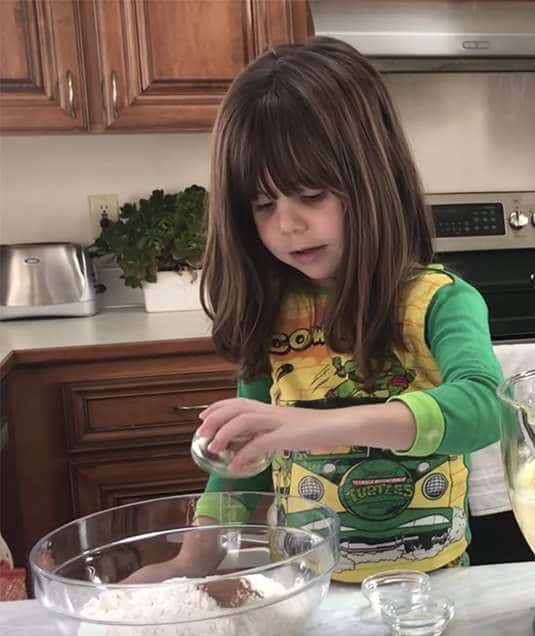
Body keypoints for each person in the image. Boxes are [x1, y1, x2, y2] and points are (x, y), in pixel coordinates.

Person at [136, 36, 505, 584]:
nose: (288, 225)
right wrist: (192, 561)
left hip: (434, 589)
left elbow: (485, 409)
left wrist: (306, 426)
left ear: (371, 181)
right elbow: (242, 460)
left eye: (311, 196)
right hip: (310, 589)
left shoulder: (437, 301)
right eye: (264, 206)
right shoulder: (271, 314)